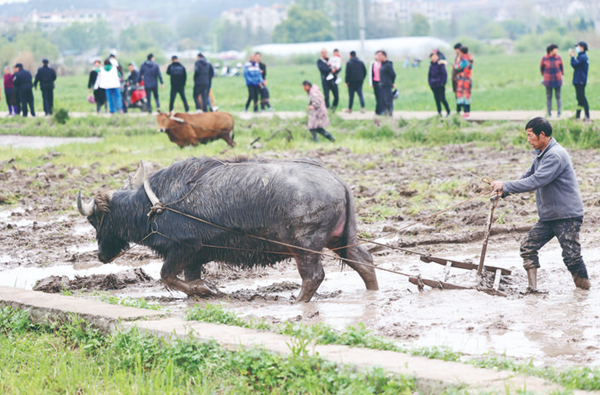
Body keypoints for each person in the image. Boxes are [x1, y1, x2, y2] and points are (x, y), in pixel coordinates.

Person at [491, 117, 590, 292]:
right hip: (549, 216)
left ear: (542, 134)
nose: (528, 140)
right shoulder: (541, 155)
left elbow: (536, 181)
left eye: (530, 136)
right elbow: (526, 176)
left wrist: (505, 184)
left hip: (566, 216)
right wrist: (504, 191)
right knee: (528, 247)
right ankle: (532, 290)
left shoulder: (555, 155)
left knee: (571, 257)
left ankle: (584, 291)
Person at [541, 44, 563, 118]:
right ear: (551, 50)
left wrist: (559, 75)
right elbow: (542, 69)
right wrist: (545, 75)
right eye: (555, 49)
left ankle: (559, 113)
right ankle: (549, 113)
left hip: (557, 79)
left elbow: (562, 68)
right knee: (549, 97)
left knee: (558, 96)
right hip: (548, 80)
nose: (557, 50)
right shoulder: (544, 58)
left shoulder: (559, 58)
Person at [569, 41, 590, 121]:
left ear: (582, 47)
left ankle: (587, 116)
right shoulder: (583, 56)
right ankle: (578, 116)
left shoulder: (582, 57)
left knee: (582, 98)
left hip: (579, 80)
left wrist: (572, 56)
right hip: (581, 80)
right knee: (580, 99)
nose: (576, 48)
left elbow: (574, 64)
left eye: (577, 46)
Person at [428, 50, 450, 117]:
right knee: (437, 99)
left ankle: (448, 111)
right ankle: (439, 112)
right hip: (433, 85)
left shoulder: (441, 64)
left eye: (435, 56)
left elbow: (444, 74)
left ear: (438, 57)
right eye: (432, 56)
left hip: (440, 84)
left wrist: (443, 83)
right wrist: (430, 83)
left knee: (442, 99)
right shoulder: (431, 65)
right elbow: (429, 75)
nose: (434, 58)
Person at [455, 46, 473, 118]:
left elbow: (457, 67)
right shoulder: (470, 58)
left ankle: (465, 112)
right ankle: (467, 112)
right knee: (468, 96)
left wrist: (457, 62)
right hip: (469, 79)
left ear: (461, 52)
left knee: (462, 96)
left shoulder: (463, 60)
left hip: (463, 80)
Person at [377, 50, 396, 116]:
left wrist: (392, 82)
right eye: (377, 55)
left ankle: (390, 114)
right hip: (382, 85)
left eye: (380, 55)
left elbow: (393, 74)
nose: (378, 57)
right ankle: (385, 113)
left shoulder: (388, 65)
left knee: (388, 100)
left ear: (384, 56)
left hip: (387, 85)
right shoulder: (382, 64)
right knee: (383, 101)